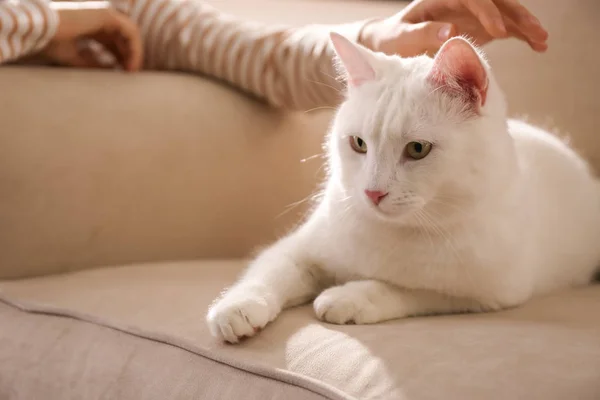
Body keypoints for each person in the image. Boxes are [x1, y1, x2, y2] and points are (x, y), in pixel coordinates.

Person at [0, 0, 547, 110]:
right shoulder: (72, 13)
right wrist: (49, 22)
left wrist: (383, 40)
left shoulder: (109, 11)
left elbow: (261, 58)